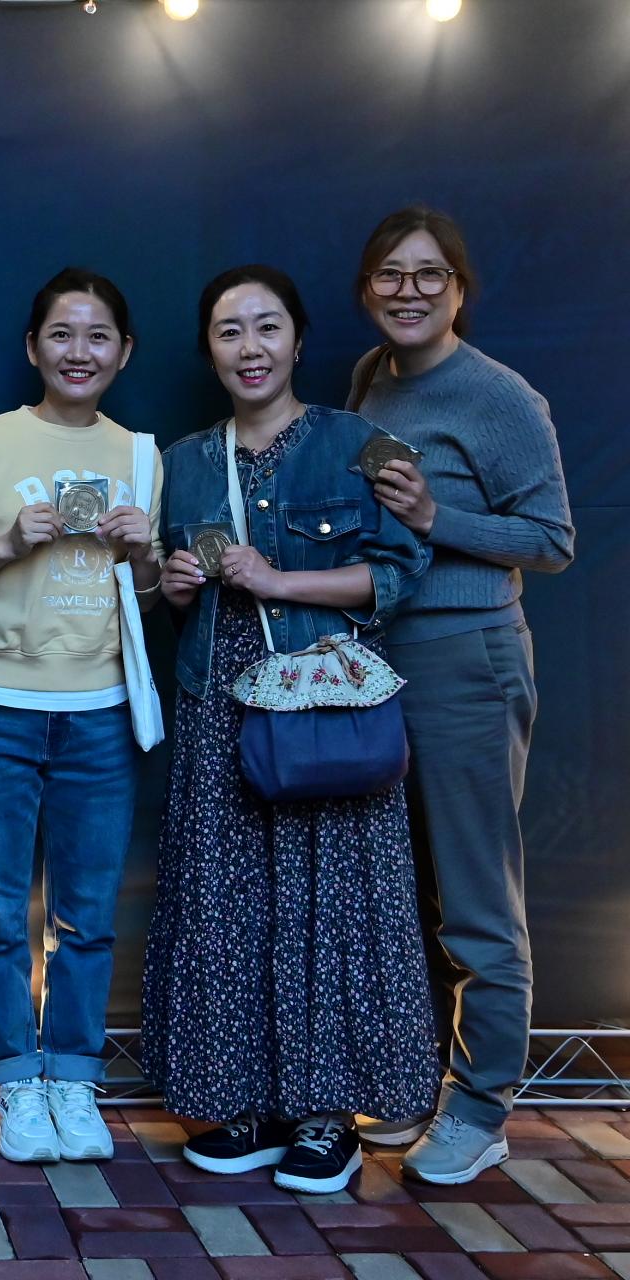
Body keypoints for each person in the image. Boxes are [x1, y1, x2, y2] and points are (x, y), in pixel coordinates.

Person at [141, 265, 438, 1196]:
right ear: (210, 351)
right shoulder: (185, 460)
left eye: (267, 327)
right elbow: (168, 586)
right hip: (217, 701)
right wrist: (174, 586)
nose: (251, 348)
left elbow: (397, 572)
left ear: (299, 341)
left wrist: (281, 582)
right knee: (227, 901)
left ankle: (326, 1115)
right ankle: (246, 1103)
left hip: (322, 701)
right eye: (229, 331)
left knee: (330, 899)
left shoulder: (359, 445)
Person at [347, 207, 575, 1183]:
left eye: (429, 274)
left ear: (459, 287)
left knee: (477, 894)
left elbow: (553, 540)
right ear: (367, 290)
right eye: (391, 274)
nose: (409, 290)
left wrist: (439, 516)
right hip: (384, 662)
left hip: (469, 657)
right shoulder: (371, 377)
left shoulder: (499, 396)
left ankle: (481, 1107)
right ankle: (420, 1080)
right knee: (404, 892)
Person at [0, 269, 162, 1164]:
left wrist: (144, 555)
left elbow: (145, 596)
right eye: (62, 334)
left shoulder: (141, 454)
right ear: (32, 347)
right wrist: (7, 543)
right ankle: (15, 1081)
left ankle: (73, 1077)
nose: (80, 352)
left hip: (100, 711)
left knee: (87, 913)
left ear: (124, 352)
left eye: (98, 335)